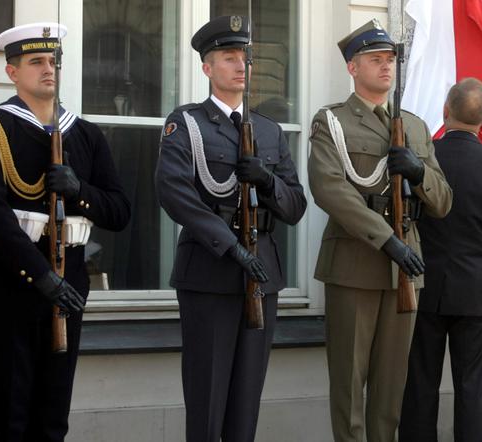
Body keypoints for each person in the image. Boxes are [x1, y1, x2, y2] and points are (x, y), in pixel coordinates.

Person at [0, 22, 131, 441]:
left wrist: (80, 191)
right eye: (35, 61)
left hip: (68, 285)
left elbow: (119, 211)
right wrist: (40, 276)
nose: (48, 70)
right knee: (9, 417)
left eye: (52, 62)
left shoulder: (86, 134)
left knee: (53, 417)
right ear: (12, 72)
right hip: (9, 287)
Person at [155, 15, 307, 442]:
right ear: (207, 68)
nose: (241, 65)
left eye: (245, 57)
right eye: (228, 57)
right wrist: (231, 247)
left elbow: (295, 206)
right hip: (209, 273)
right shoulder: (187, 124)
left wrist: (267, 180)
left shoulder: (269, 131)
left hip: (262, 276)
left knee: (246, 402)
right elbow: (175, 194)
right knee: (207, 400)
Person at [307, 19, 452, 442]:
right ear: (353, 68)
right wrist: (386, 240)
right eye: (375, 59)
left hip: (405, 269)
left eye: (390, 59)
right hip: (356, 264)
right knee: (350, 389)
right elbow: (331, 189)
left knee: (391, 390)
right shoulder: (332, 121)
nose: (386, 67)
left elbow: (443, 200)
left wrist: (418, 169)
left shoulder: (415, 126)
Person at [398, 78, 482, 442]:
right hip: (478, 292)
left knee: (420, 384)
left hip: (424, 287)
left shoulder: (422, 160)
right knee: (472, 390)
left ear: (445, 111)